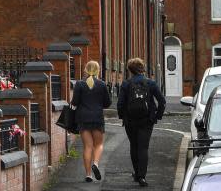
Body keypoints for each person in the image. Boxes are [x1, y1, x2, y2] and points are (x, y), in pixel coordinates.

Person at [117, 57, 166, 188]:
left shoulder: (126, 84)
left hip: (130, 121)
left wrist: (123, 117)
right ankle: (142, 176)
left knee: (134, 146)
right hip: (147, 120)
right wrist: (157, 116)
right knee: (143, 148)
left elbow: (120, 104)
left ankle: (137, 173)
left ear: (130, 70)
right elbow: (162, 101)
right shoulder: (151, 83)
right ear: (142, 68)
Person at [71, 60, 111, 183]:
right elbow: (107, 103)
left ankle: (88, 174)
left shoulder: (79, 84)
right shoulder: (102, 84)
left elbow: (75, 102)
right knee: (98, 145)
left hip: (83, 118)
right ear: (98, 70)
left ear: (86, 70)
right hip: (97, 118)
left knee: (87, 147)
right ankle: (96, 164)